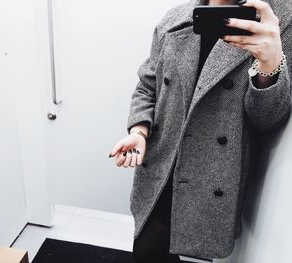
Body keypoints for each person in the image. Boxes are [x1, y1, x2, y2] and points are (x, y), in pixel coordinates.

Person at [109, 0, 291, 262]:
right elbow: (147, 86)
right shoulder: (175, 18)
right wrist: (139, 131)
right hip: (161, 168)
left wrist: (270, 64)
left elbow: (267, 120)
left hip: (212, 178)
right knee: (147, 249)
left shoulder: (278, 21)